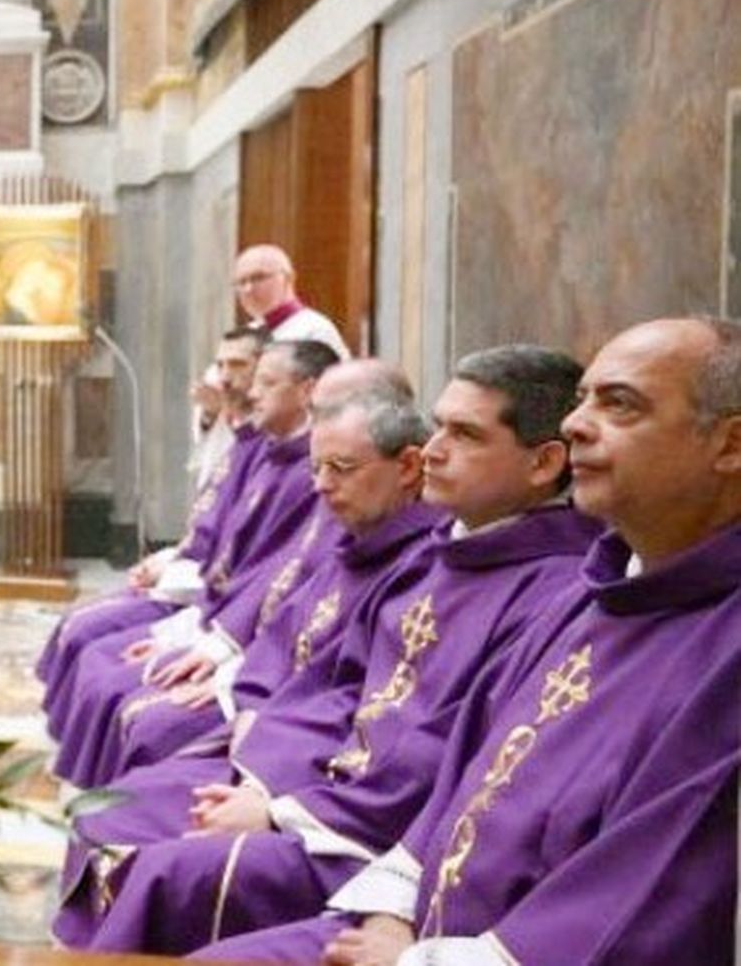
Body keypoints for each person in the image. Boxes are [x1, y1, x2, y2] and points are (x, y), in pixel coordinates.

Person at [205, 316, 741, 966]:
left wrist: (415, 959)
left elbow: (644, 899)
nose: (575, 426)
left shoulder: (720, 652)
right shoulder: (584, 599)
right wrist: (397, 910)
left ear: (730, 445)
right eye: (581, 402)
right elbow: (460, 776)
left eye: (619, 405)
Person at [64, 345, 603, 956]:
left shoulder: (555, 590)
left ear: (543, 463)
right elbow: (334, 678)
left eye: (465, 434)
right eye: (439, 424)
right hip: (319, 785)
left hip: (365, 839)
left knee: (163, 872)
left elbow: (448, 753)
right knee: (108, 814)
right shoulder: (437, 551)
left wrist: (285, 811)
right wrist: (269, 780)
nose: (432, 450)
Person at [53, 389, 441, 946]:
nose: (321, 485)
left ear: (406, 465)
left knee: (153, 836)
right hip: (283, 753)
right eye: (317, 467)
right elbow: (288, 623)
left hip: (338, 811)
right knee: (108, 809)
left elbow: (382, 714)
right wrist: (243, 693)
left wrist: (277, 797)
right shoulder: (364, 536)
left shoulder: (424, 564)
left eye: (341, 468)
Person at [48, 340, 340, 788]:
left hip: (264, 679)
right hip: (221, 622)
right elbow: (240, 555)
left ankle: (107, 807)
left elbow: (287, 597)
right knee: (91, 652)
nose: (327, 481)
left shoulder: (316, 485)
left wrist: (220, 661)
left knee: (133, 706)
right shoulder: (278, 454)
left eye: (263, 379)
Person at [234, 243, 349, 358]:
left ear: (288, 279)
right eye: (241, 282)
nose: (248, 289)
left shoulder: (315, 331)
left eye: (258, 277)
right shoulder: (244, 335)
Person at [189, 328, 265, 493]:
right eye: (220, 365)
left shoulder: (280, 420)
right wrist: (210, 413)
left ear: (265, 366)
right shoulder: (219, 395)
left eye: (237, 364)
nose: (225, 377)